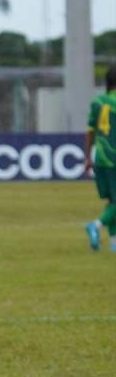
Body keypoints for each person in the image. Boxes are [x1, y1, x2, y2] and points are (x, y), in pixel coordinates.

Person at [84, 67, 116, 252]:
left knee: (112, 201)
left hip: (101, 158)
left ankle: (114, 243)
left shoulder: (97, 102)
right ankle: (95, 226)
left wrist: (88, 157)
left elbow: (90, 131)